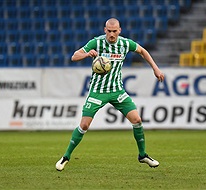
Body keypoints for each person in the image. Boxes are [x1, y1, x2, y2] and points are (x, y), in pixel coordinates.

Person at [56, 18, 165, 171]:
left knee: (137, 120)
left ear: (119, 30)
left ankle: (142, 155)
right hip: (97, 91)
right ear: (104, 30)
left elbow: (142, 51)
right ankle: (66, 156)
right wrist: (87, 54)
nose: (112, 34)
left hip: (117, 90)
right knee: (84, 125)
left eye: (115, 31)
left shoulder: (125, 43)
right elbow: (74, 56)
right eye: (109, 31)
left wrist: (155, 68)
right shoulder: (97, 42)